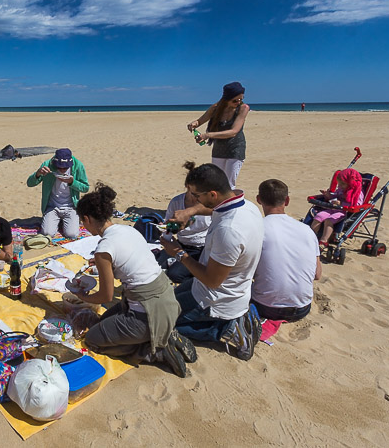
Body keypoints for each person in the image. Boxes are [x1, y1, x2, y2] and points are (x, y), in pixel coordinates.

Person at [75, 184, 197, 378]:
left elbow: (105, 295)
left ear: (87, 219)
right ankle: (165, 334)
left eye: (82, 221)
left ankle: (153, 351)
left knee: (92, 339)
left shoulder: (104, 248)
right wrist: (102, 263)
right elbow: (130, 262)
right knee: (103, 321)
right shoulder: (128, 230)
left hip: (146, 314)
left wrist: (83, 296)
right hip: (168, 302)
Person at [164, 163, 264, 360]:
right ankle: (236, 318)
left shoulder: (229, 230)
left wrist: (178, 252)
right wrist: (190, 212)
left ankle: (227, 329)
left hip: (216, 299)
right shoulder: (246, 206)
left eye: (197, 196)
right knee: (166, 303)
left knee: (163, 324)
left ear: (212, 194)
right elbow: (214, 209)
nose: (194, 200)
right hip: (218, 287)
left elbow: (212, 280)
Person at [252, 179, 322, 322]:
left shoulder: (258, 228)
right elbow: (317, 274)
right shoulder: (307, 230)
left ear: (259, 200)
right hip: (302, 308)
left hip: (266, 307)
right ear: (287, 200)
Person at [187, 82, 250, 189]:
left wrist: (208, 135)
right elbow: (200, 120)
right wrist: (194, 124)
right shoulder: (216, 108)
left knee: (229, 184)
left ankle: (228, 205)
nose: (238, 102)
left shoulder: (243, 108)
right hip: (218, 149)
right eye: (235, 100)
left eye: (241, 99)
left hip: (235, 149)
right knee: (216, 182)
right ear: (227, 99)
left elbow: (233, 131)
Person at [157, 161, 212, 283]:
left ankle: (197, 277)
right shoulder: (176, 202)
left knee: (175, 274)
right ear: (187, 186)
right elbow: (169, 226)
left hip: (200, 248)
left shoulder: (208, 206)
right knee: (155, 266)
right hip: (180, 244)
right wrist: (167, 227)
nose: (197, 197)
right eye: (194, 193)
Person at [26, 148, 89, 239]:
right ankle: (56, 221)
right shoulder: (47, 165)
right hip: (52, 207)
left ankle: (65, 221)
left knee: (72, 235)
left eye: (65, 167)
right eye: (60, 167)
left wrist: (72, 182)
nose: (62, 170)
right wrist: (38, 174)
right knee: (47, 233)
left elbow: (85, 188)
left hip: (71, 207)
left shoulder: (78, 166)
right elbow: (30, 183)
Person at [310, 168, 364, 250]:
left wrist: (341, 203)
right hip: (333, 208)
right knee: (319, 216)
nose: (340, 186)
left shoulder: (357, 193)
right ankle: (311, 237)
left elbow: (357, 204)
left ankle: (324, 241)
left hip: (344, 212)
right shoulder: (341, 189)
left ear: (350, 183)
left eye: (342, 184)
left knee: (329, 220)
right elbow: (335, 195)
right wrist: (329, 196)